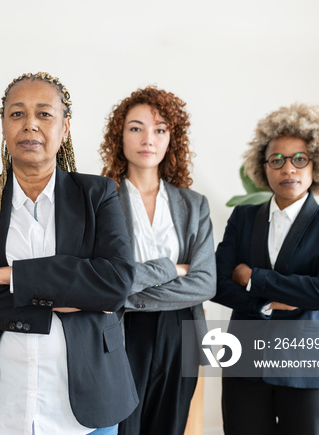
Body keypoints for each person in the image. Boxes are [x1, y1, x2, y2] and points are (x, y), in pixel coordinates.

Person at [0, 72, 138, 435]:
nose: (30, 125)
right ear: (3, 126)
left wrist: (11, 276)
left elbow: (116, 283)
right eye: (17, 114)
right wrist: (61, 298)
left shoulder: (99, 194)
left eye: (44, 114)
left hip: (84, 406)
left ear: (65, 127)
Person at [212, 103, 319, 435]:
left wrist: (253, 277)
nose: (288, 168)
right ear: (264, 167)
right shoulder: (243, 219)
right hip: (245, 366)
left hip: (306, 371)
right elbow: (217, 283)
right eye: (277, 159)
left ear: (317, 162)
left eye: (299, 158)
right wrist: (264, 303)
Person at [99, 86, 216, 435]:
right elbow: (102, 278)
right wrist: (169, 269)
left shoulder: (194, 204)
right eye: (136, 127)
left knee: (169, 427)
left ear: (171, 139)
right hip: (121, 331)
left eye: (160, 129)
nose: (148, 138)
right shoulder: (100, 198)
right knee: (121, 427)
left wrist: (125, 292)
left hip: (181, 331)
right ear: (119, 136)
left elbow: (205, 282)